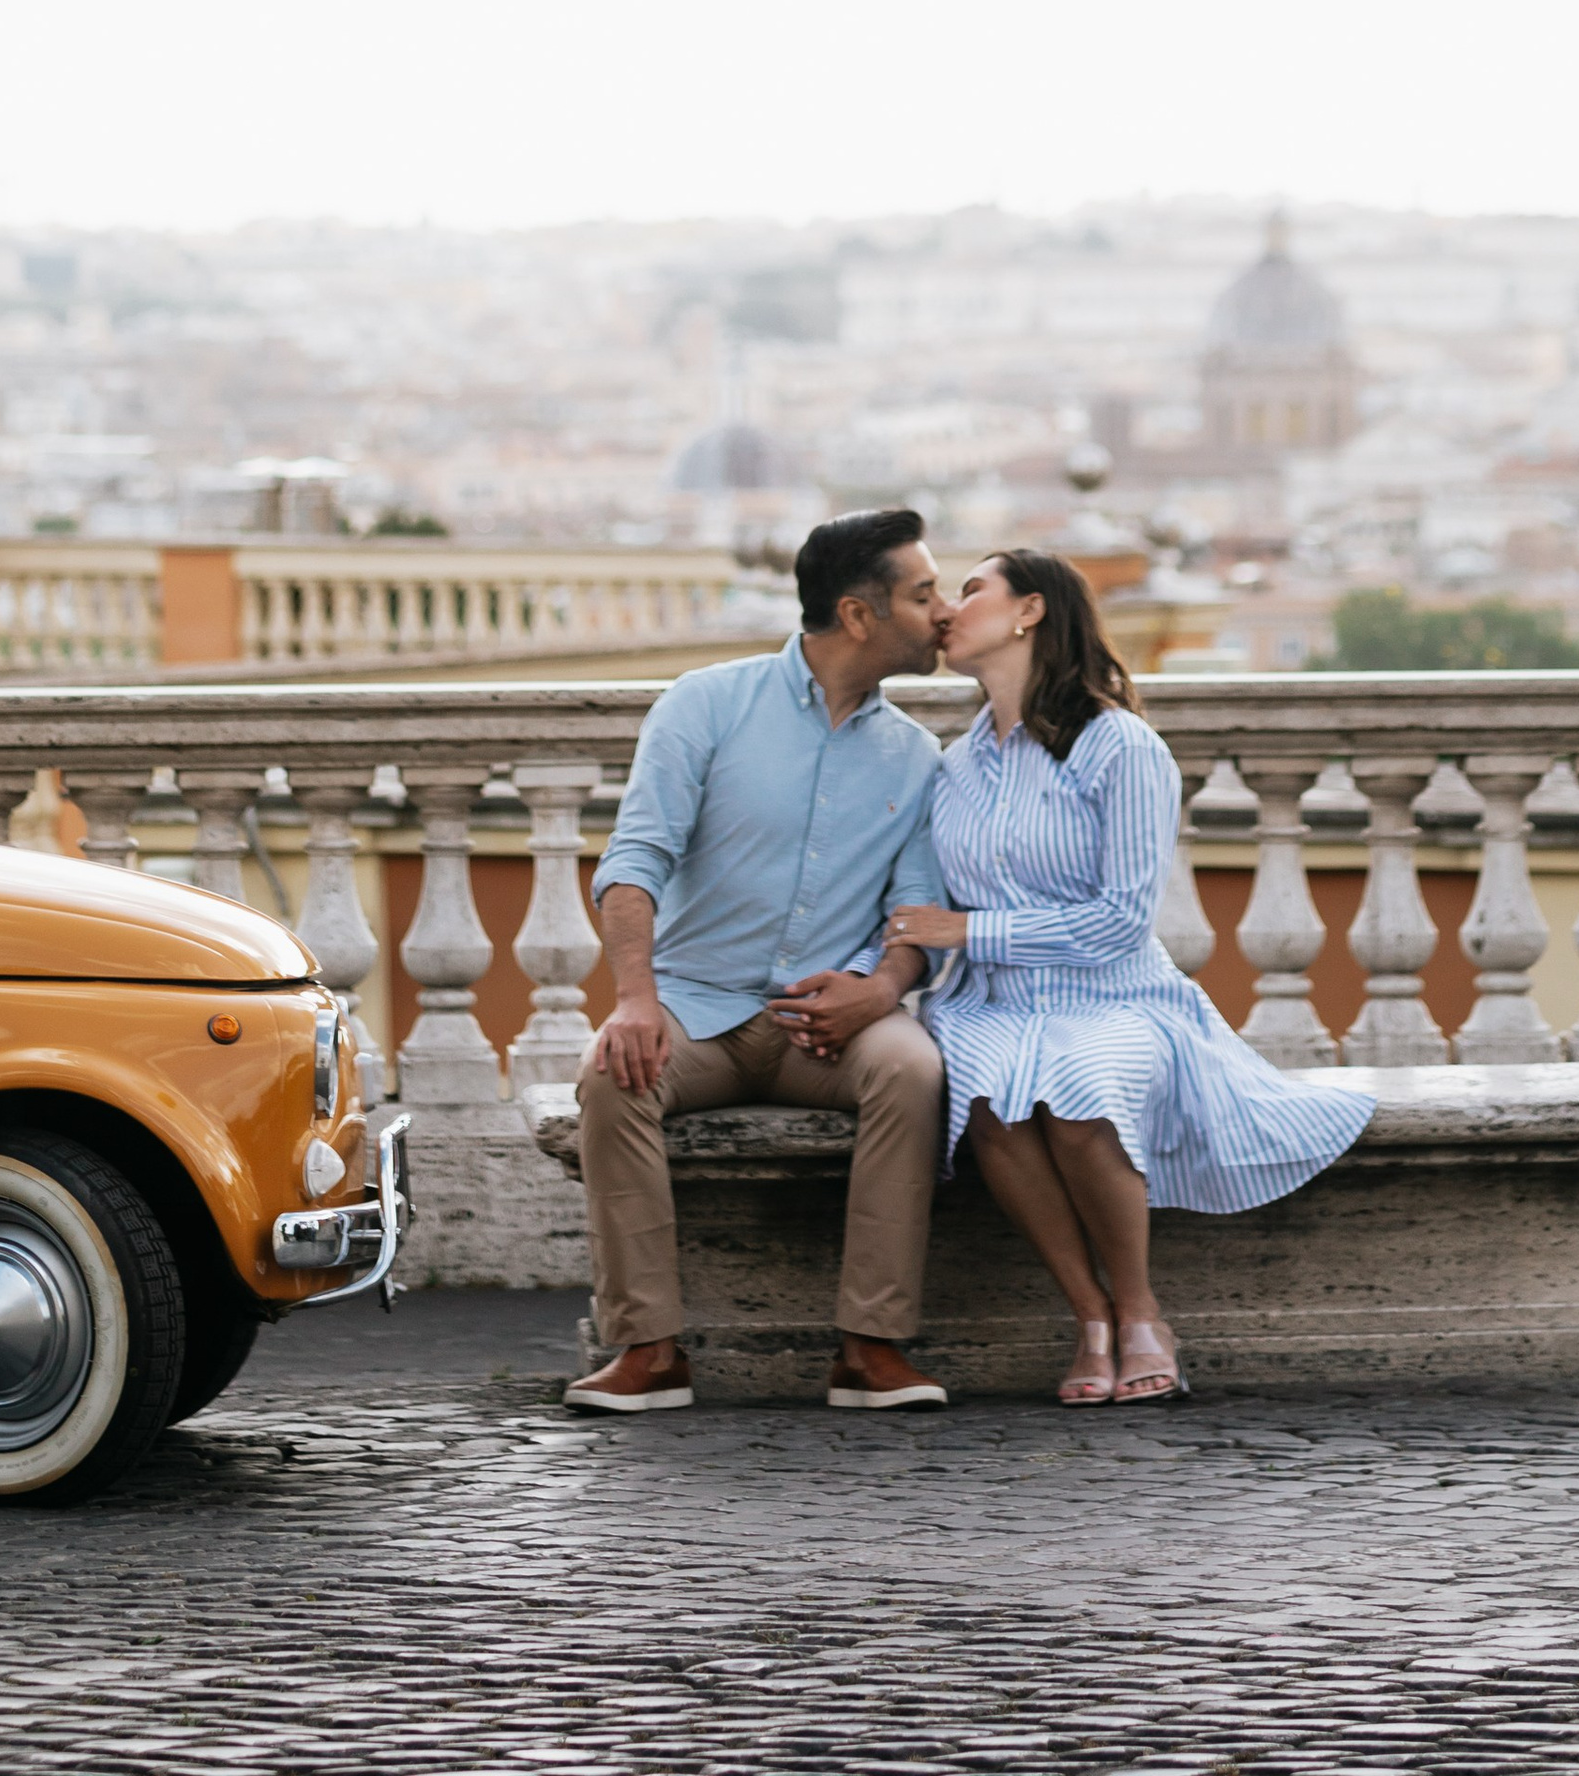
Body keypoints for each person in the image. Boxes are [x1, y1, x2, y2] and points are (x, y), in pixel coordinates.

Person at [889, 548, 1373, 1405]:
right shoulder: (954, 765)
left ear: (1031, 611)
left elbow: (1119, 920)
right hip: (989, 1001)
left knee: (1082, 1097)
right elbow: (921, 899)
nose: (949, 610)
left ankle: (1143, 1312)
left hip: (1111, 993)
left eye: (971, 590)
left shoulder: (1121, 747)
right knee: (989, 1107)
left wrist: (973, 929)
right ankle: (1092, 1317)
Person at [564, 506, 953, 1414]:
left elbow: (914, 914)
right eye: (923, 594)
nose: (942, 612)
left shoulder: (917, 757)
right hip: (694, 1011)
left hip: (825, 1029)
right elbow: (634, 861)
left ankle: (871, 1348)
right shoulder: (705, 704)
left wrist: (880, 992)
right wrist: (635, 999)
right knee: (612, 1075)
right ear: (858, 615)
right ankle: (649, 1351)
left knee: (912, 1070)